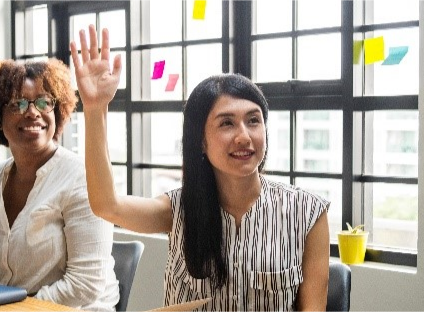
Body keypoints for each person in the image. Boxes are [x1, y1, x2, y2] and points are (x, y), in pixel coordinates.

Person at [71, 25, 330, 311]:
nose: (244, 135)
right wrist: (95, 109)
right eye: (227, 123)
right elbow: (107, 206)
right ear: (201, 142)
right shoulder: (179, 208)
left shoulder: (307, 213)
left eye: (253, 121)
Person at [0, 58, 119, 311]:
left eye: (44, 102)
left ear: (57, 112)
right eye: (17, 104)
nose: (32, 112)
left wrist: (15, 310)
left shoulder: (82, 176)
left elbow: (86, 283)